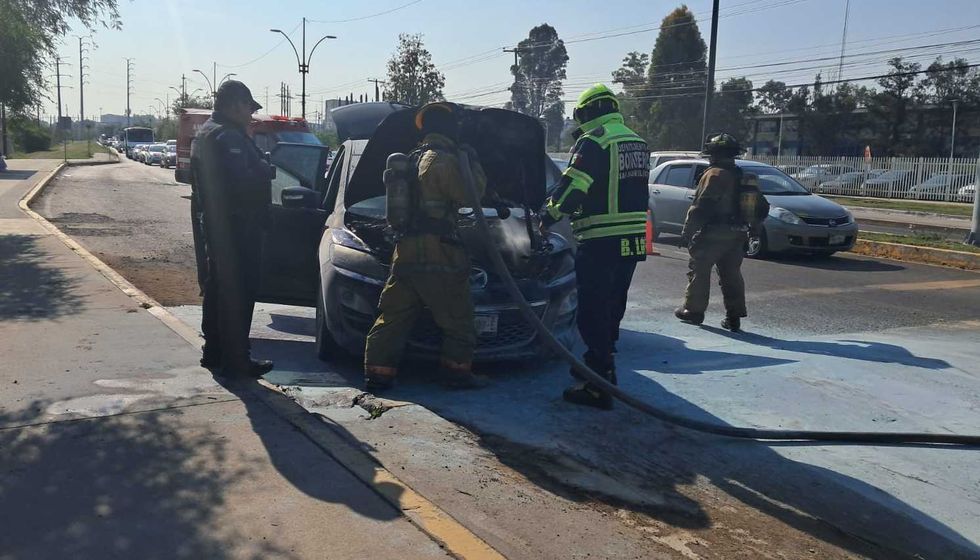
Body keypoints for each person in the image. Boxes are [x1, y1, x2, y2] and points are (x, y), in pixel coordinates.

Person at [363, 102, 488, 391]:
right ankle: (456, 374)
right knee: (459, 318)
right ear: (448, 127)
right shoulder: (443, 161)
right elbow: (472, 195)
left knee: (393, 315)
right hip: (439, 253)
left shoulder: (412, 157)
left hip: (405, 251)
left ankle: (378, 374)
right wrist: (473, 162)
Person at [541, 84, 650, 410]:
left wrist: (547, 216)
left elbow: (574, 186)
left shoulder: (595, 140)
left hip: (601, 239)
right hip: (631, 239)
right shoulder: (636, 141)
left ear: (586, 112)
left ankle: (597, 385)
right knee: (613, 303)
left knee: (591, 312)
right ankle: (603, 362)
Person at [190, 80, 275, 377]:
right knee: (239, 292)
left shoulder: (205, 133)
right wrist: (266, 169)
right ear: (235, 104)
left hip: (217, 226)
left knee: (217, 289)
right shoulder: (229, 137)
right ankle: (237, 359)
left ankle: (214, 351)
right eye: (248, 107)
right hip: (238, 227)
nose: (251, 115)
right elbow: (244, 182)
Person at [674, 132, 768, 332]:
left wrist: (687, 232)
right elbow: (762, 207)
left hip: (713, 233)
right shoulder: (742, 176)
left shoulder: (714, 175)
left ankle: (693, 311)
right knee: (731, 274)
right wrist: (754, 231)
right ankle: (734, 317)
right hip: (737, 235)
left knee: (699, 270)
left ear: (714, 153)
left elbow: (701, 207)